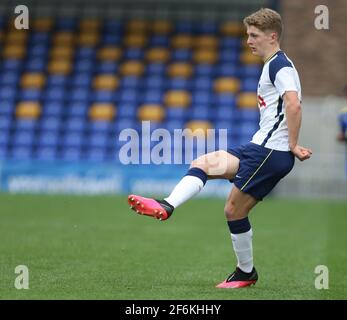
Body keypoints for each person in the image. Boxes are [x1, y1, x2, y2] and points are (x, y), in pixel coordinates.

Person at [127, 8, 312, 289]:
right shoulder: (274, 64)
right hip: (258, 146)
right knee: (203, 163)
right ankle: (167, 205)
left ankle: (245, 273)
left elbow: (294, 103)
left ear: (272, 36)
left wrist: (293, 145)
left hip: (270, 153)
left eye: (254, 35)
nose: (248, 40)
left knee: (233, 211)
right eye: (247, 34)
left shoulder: (279, 65)